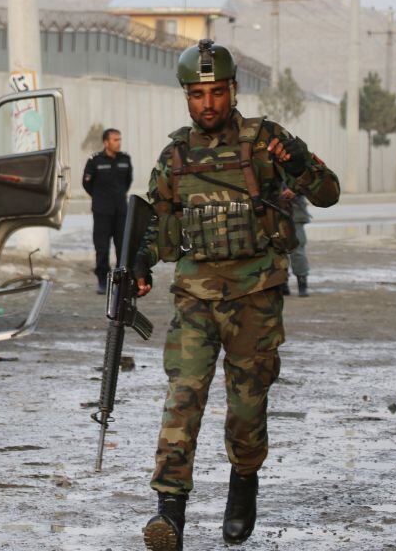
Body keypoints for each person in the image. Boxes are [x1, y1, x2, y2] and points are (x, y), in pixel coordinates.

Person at [133, 39, 340, 551]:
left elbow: (328, 191)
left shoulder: (266, 141)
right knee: (183, 398)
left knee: (247, 408)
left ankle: (242, 485)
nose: (208, 105)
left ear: (232, 91)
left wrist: (302, 162)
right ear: (186, 97)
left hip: (255, 297)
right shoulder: (175, 156)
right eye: (198, 95)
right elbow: (156, 225)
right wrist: (138, 261)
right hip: (195, 298)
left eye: (217, 93)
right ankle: (169, 512)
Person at [82, 128, 133, 294]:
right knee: (102, 248)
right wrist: (99, 198)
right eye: (115, 140)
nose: (118, 143)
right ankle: (103, 281)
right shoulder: (95, 161)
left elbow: (127, 181)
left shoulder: (125, 159)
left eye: (120, 139)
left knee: (122, 247)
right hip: (102, 211)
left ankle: (120, 281)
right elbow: (87, 183)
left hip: (120, 211)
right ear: (106, 142)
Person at [282, 186, 312, 297]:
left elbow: (307, 179)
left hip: (295, 209)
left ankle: (302, 282)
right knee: (277, 249)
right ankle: (282, 282)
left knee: (297, 250)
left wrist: (294, 190)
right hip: (272, 208)